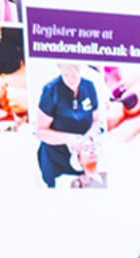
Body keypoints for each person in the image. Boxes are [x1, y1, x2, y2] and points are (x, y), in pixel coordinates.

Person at [33, 61, 98, 189]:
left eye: (74, 75)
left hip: (82, 157)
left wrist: (89, 137)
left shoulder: (89, 87)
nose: (70, 80)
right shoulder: (51, 91)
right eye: (65, 75)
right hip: (55, 158)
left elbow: (96, 120)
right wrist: (70, 139)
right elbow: (41, 131)